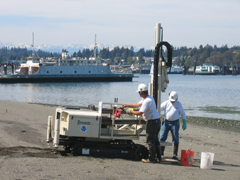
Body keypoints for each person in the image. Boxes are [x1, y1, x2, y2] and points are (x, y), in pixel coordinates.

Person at [122, 84, 161, 163]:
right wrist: (127, 105)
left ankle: (152, 158)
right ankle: (159, 157)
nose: (139, 94)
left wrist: (130, 111)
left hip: (152, 122)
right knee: (155, 139)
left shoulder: (147, 101)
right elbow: (138, 104)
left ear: (141, 92)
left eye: (139, 92)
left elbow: (140, 112)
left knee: (150, 140)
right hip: (157, 121)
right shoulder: (149, 98)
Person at [159, 91, 186, 160]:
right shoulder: (166, 103)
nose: (172, 102)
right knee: (162, 137)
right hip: (166, 122)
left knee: (175, 138)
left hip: (175, 123)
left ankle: (175, 154)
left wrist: (184, 122)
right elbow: (158, 109)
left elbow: (183, 114)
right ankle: (161, 153)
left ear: (176, 99)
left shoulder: (179, 104)